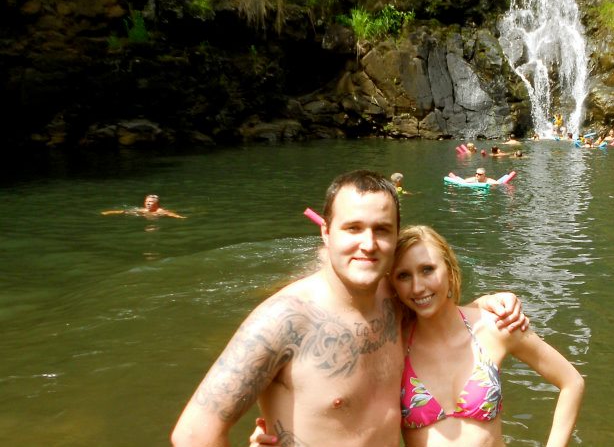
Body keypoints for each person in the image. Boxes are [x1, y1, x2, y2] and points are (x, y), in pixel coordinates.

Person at [171, 170, 525, 447]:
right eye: (353, 228)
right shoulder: (282, 321)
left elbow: (441, 312)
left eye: (382, 230)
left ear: (396, 234)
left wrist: (483, 306)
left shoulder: (397, 300)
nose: (368, 244)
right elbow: (194, 435)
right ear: (326, 233)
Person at [255, 225, 584, 447]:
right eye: (404, 276)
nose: (418, 287)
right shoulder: (391, 344)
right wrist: (280, 434)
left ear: (449, 268)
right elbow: (337, 401)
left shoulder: (494, 326)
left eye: (428, 270)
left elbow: (571, 382)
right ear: (393, 285)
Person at [101, 194, 185, 219]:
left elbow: (171, 214)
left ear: (156, 203)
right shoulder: (143, 210)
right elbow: (124, 211)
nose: (148, 203)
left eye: (151, 202)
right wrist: (109, 212)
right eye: (147, 202)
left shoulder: (160, 211)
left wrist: (180, 217)